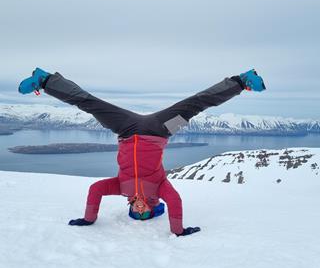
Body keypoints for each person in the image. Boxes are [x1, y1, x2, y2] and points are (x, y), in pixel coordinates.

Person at [18, 68, 266, 236]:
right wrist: (178, 231)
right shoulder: (159, 188)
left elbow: (95, 190)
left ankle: (45, 80)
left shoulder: (120, 187)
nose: (138, 211)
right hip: (161, 130)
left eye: (135, 214)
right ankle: (242, 81)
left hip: (125, 129)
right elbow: (176, 202)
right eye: (143, 214)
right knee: (195, 105)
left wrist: (89, 219)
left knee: (89, 103)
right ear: (151, 208)